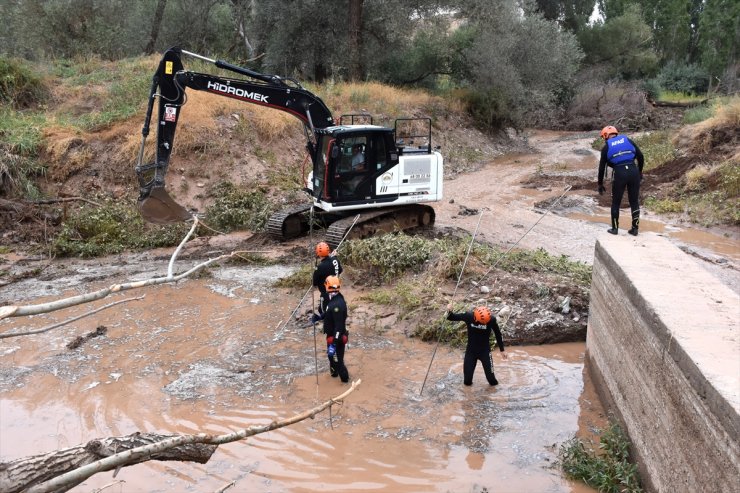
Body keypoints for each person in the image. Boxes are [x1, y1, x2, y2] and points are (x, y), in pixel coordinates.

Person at [597, 125, 645, 236]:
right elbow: (641, 156)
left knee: (616, 202)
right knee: (634, 201)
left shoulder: (606, 147)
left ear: (605, 136)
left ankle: (615, 229)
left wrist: (600, 184)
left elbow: (601, 168)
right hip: (633, 171)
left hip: (619, 173)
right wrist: (640, 172)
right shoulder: (627, 139)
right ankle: (635, 229)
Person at [446, 305, 507, 386]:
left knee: (492, 381)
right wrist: (449, 310)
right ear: (476, 318)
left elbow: (498, 334)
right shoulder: (468, 316)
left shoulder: (491, 319)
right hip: (471, 352)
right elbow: (450, 317)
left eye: (486, 321)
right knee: (467, 382)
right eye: (483, 322)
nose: (485, 323)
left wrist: (502, 350)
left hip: (485, 352)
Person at [311, 275, 350, 382]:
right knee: (331, 357)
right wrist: (319, 317)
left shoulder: (337, 305)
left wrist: (334, 343)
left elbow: (339, 326)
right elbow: (329, 313)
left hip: (336, 337)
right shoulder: (334, 298)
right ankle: (334, 374)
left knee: (338, 361)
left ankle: (345, 381)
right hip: (331, 335)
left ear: (327, 286)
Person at [312, 241, 342, 315]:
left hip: (326, 293)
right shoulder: (335, 259)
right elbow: (340, 270)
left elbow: (314, 282)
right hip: (336, 290)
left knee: (323, 311)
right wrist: (334, 257)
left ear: (318, 254)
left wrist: (316, 271)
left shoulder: (320, 267)